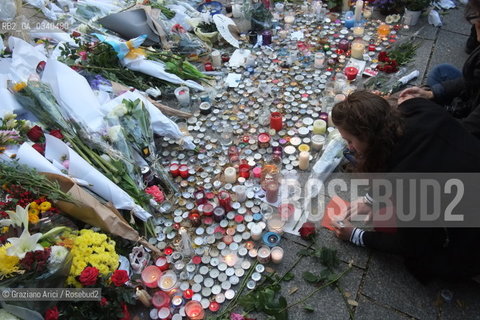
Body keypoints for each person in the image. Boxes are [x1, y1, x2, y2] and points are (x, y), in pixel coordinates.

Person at [331, 91, 480, 282]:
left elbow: (410, 243)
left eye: (350, 141)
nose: (349, 148)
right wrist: (369, 200)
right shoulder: (415, 108)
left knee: (420, 260)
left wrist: (356, 235)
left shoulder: (409, 183)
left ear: (369, 137)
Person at [399, 0, 480, 140]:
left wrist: (425, 117)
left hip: (470, 139)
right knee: (442, 71)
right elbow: (473, 79)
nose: (477, 38)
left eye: (479, 27)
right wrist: (431, 94)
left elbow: (466, 133)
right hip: (471, 99)